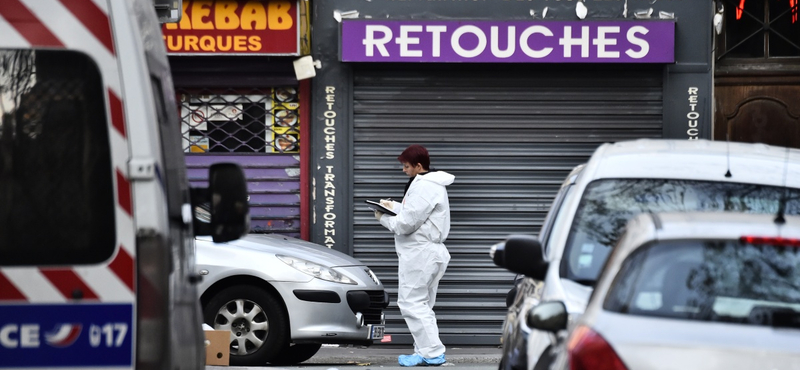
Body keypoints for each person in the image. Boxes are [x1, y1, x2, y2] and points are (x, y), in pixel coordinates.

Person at [374, 144, 454, 367]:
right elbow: (418, 214)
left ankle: (432, 353)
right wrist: (396, 206)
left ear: (419, 166)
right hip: (428, 252)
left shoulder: (425, 186)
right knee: (423, 305)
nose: (403, 170)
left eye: (406, 166)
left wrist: (383, 217)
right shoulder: (428, 184)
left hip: (421, 253)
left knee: (411, 303)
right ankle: (424, 351)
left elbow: (406, 224)